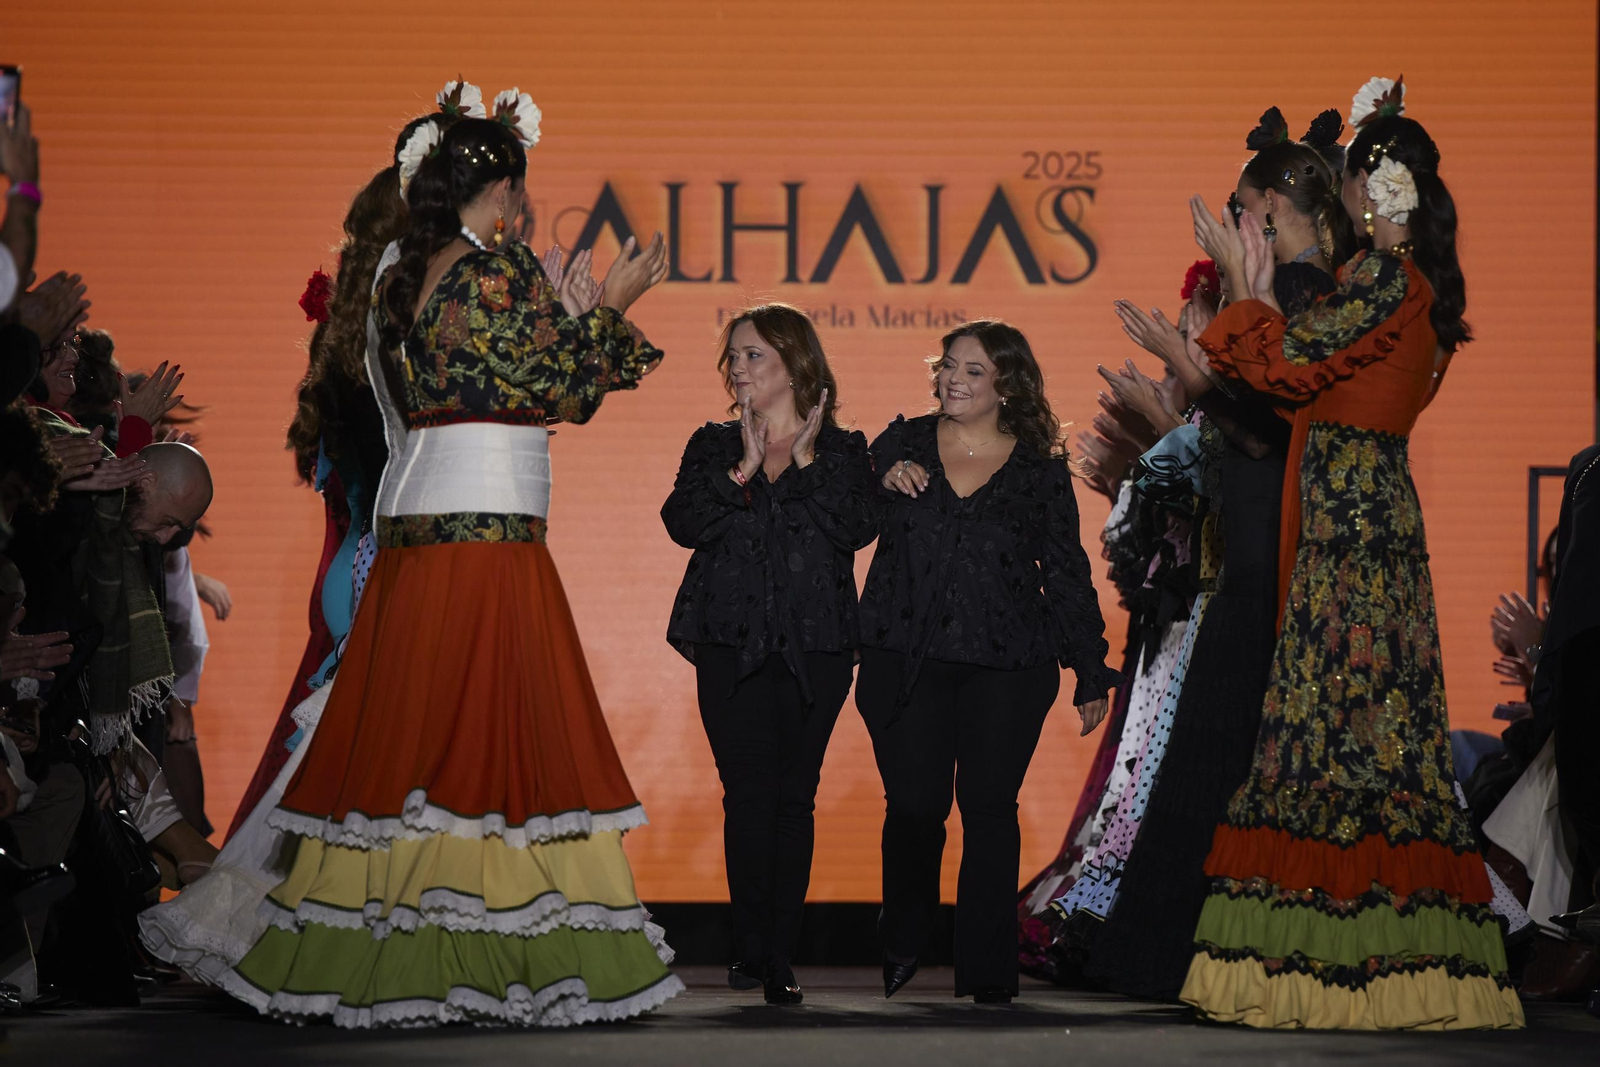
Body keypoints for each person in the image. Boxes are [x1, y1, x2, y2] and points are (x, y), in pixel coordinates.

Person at [217, 112, 681, 1028]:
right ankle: (486, 950)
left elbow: (482, 381)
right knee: (489, 740)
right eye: (521, 186)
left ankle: (385, 939)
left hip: (417, 529)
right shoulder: (493, 268)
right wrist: (614, 306)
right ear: (503, 189)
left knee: (413, 739)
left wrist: (573, 319)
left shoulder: (395, 272)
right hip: (487, 533)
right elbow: (554, 388)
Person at [1177, 79, 1523, 1029]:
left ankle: (1352, 971)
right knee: (1358, 736)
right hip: (1357, 519)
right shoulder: (1403, 285)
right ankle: (1369, 965)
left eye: (1362, 178)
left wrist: (1243, 282)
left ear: (1389, 190)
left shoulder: (1386, 282)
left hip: (1354, 532)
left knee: (1341, 735)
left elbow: (1288, 363)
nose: (1353, 196)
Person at [1077, 111, 1349, 999]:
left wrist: (1214, 327)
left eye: (1240, 208)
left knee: (1229, 740)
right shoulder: (1301, 291)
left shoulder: (1310, 292)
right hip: (1247, 532)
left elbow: (1271, 421)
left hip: (1271, 538)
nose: (1231, 222)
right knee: (1212, 743)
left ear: (1271, 208)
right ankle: (1176, 950)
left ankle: (1207, 953)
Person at [856, 319, 1121, 1003]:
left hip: (1007, 662)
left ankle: (988, 973)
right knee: (916, 807)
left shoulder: (1036, 468)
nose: (954, 379)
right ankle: (905, 927)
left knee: (990, 810)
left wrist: (1090, 667)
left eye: (973, 370)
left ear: (1007, 385)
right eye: (948, 365)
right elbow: (850, 515)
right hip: (903, 655)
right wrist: (880, 478)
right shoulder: (901, 442)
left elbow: (1064, 570)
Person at [662, 303, 876, 1004]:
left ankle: (778, 950)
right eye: (733, 356)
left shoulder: (844, 450)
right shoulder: (710, 443)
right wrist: (743, 469)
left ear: (795, 364)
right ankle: (751, 946)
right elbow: (683, 521)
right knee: (747, 794)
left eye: (753, 354)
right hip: (730, 641)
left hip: (816, 645)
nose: (738, 367)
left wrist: (804, 461)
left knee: (795, 798)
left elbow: (857, 524)